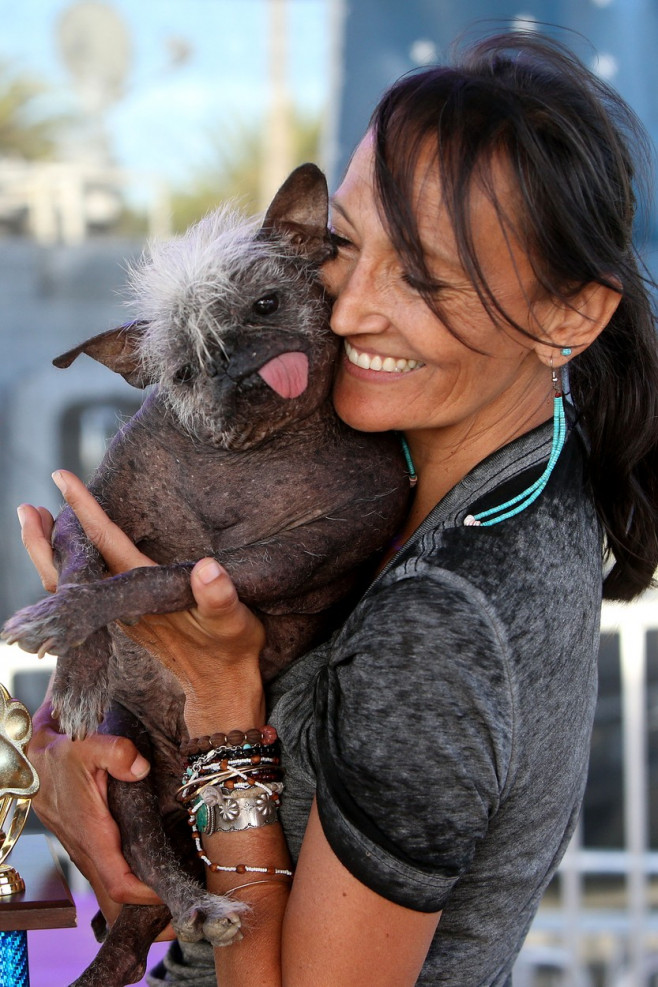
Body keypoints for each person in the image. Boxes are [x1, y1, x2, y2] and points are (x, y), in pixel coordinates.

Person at [17, 31, 658, 986]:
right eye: (348, 244)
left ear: (570, 317)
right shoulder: (489, 479)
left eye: (425, 278)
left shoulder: (444, 621)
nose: (351, 309)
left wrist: (221, 711)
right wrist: (79, 747)